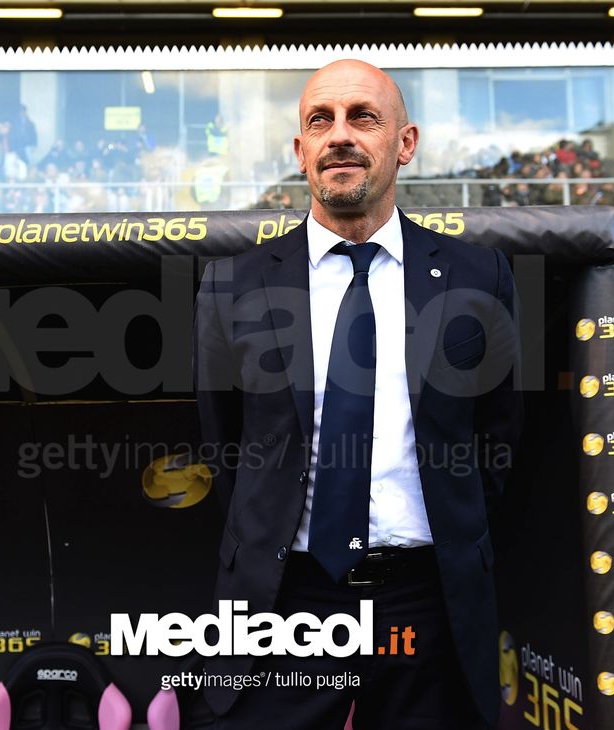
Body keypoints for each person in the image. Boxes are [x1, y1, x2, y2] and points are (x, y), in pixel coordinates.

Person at [193, 59, 522, 730]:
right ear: (301, 151)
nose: (339, 135)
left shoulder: (478, 277)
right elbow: (226, 445)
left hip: (428, 605)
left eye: (362, 117)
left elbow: (499, 435)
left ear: (404, 143)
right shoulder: (233, 285)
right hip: (284, 603)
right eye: (321, 120)